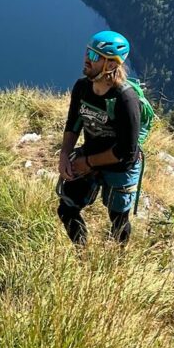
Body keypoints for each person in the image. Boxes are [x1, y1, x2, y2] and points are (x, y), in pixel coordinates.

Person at [57, 31, 142, 245]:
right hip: (92, 153)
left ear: (111, 65)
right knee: (67, 207)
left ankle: (118, 259)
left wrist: (87, 162)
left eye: (95, 56)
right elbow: (73, 123)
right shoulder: (82, 87)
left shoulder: (125, 99)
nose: (86, 58)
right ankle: (82, 251)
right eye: (88, 52)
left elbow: (126, 151)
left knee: (118, 219)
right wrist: (65, 155)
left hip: (121, 165)